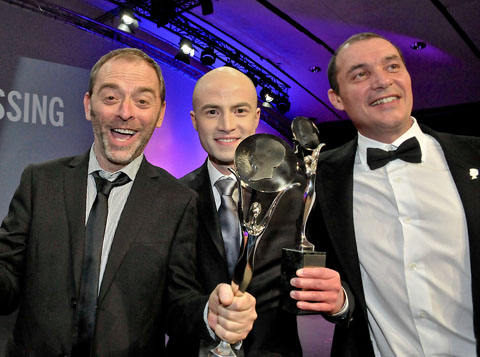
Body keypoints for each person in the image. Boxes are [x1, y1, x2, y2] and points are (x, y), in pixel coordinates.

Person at [0, 48, 256, 356]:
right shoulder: (40, 182)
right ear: (88, 105)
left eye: (142, 101)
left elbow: (176, 303)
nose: (125, 113)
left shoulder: (178, 200)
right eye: (111, 97)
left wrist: (207, 313)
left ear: (160, 114)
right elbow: (4, 288)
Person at [310, 32, 480, 356]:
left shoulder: (475, 157)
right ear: (337, 99)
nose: (382, 82)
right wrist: (341, 303)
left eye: (392, 67)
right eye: (361, 74)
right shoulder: (318, 180)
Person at [167, 66, 344, 356]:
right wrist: (207, 316)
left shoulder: (297, 193)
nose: (227, 124)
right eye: (212, 112)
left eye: (239, 110)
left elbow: (338, 274)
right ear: (194, 120)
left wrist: (338, 299)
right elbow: (164, 297)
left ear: (257, 117)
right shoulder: (172, 197)